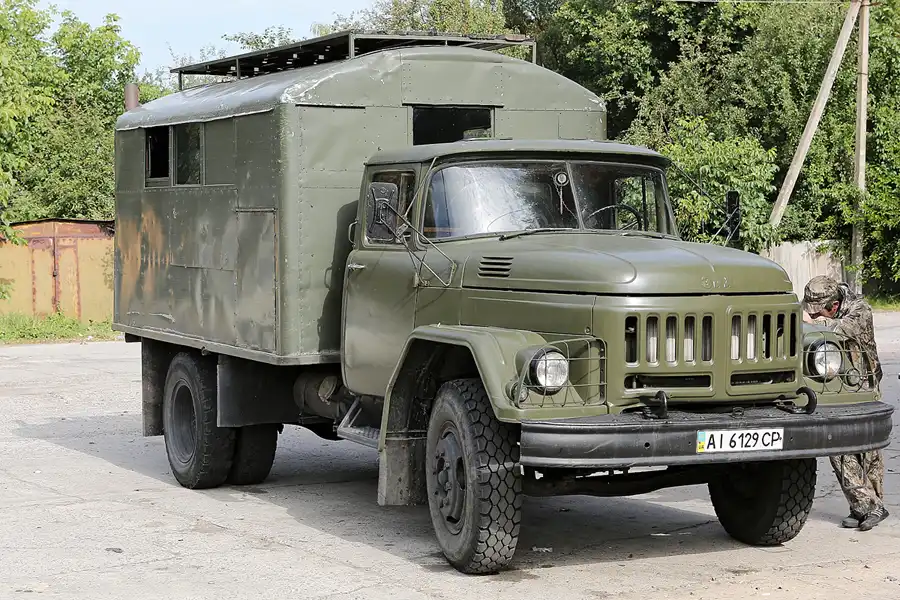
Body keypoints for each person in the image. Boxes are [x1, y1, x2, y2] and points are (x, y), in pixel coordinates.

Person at [801, 275, 888, 531]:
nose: (815, 315)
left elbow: (842, 329)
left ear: (834, 304)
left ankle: (870, 505)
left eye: (820, 312)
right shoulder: (819, 307)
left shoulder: (861, 310)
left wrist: (813, 322)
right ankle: (865, 506)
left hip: (864, 383)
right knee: (840, 446)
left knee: (869, 451)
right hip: (835, 384)